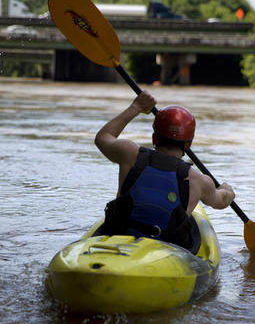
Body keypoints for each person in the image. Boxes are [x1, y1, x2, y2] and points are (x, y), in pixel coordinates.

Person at [94, 91, 235, 254]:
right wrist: (227, 191)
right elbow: (221, 201)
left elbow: (102, 137)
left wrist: (136, 107)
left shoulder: (129, 153)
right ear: (188, 145)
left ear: (154, 138)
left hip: (119, 237)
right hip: (164, 251)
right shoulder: (200, 181)